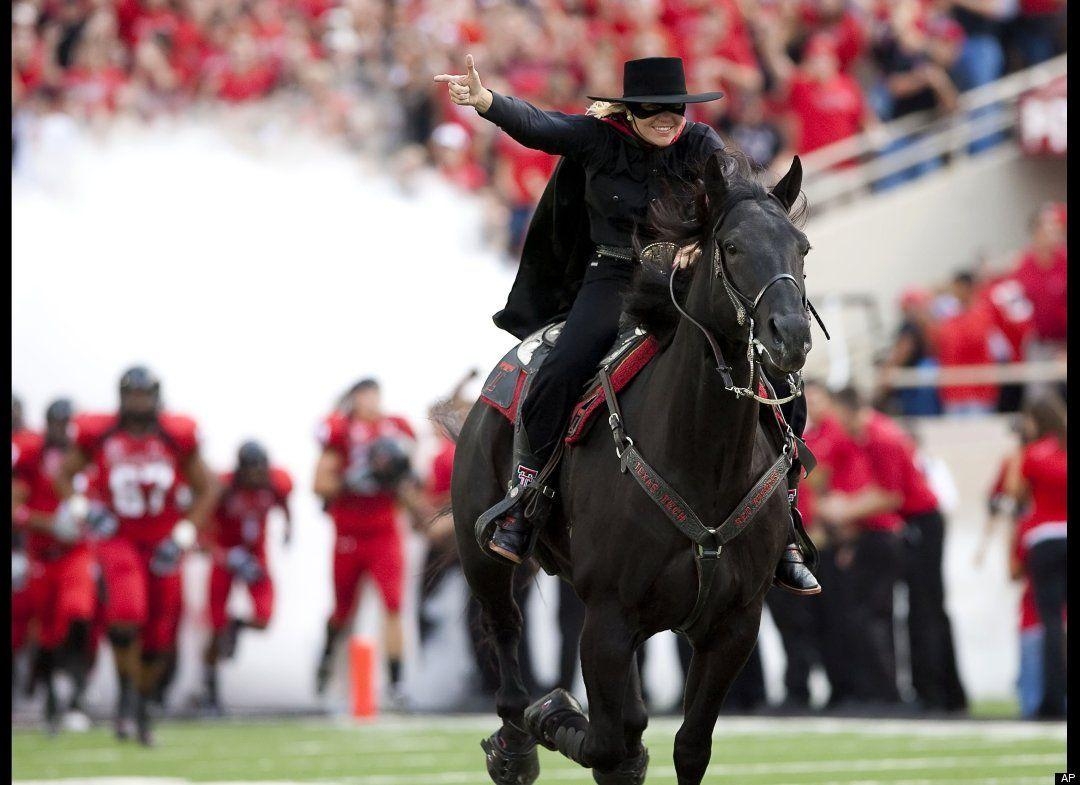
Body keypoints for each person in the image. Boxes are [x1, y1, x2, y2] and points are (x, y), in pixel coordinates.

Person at [434, 54, 819, 595]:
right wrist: (486, 102)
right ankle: (527, 498)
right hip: (612, 278)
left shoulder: (702, 144)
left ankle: (785, 527)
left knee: (778, 377)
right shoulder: (598, 137)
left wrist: (694, 246)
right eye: (654, 112)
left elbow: (733, 199)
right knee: (564, 366)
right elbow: (541, 127)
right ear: (630, 111)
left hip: (685, 282)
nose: (667, 121)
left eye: (675, 112)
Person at [55, 366, 219, 746]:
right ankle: (127, 700)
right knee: (127, 614)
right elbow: (64, 475)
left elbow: (207, 488)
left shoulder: (176, 436)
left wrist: (184, 532)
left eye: (145, 395)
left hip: (162, 538)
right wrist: (82, 508)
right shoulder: (101, 434)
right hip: (120, 536)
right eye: (132, 394)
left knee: (160, 633)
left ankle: (142, 705)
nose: (139, 402)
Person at [312, 378, 429, 709]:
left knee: (393, 605)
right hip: (349, 531)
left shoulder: (395, 428)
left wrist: (408, 487)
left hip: (383, 529)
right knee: (342, 610)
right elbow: (319, 483)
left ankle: (396, 683)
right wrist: (348, 481)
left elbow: (409, 475)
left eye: (374, 394)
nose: (371, 401)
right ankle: (327, 659)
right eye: (364, 395)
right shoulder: (341, 430)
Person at [12, 399, 98, 732]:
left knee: (78, 613)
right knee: (46, 632)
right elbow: (15, 508)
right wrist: (48, 524)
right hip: (41, 556)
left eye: (69, 423)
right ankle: (50, 692)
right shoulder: (31, 455)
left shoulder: (91, 456)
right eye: (58, 423)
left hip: (76, 553)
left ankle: (75, 692)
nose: (64, 430)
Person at [201, 440, 292, 715]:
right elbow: (202, 528)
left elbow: (286, 505)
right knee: (215, 626)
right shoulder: (222, 487)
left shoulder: (277, 483)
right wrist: (224, 556)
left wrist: (290, 529)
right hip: (226, 554)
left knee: (264, 617)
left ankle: (237, 626)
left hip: (255, 555)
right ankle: (210, 688)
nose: (256, 477)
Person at [1004, 393, 1067, 718]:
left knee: (1052, 622)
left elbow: (1015, 492)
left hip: (1043, 539)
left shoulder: (1032, 454)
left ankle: (1053, 698)